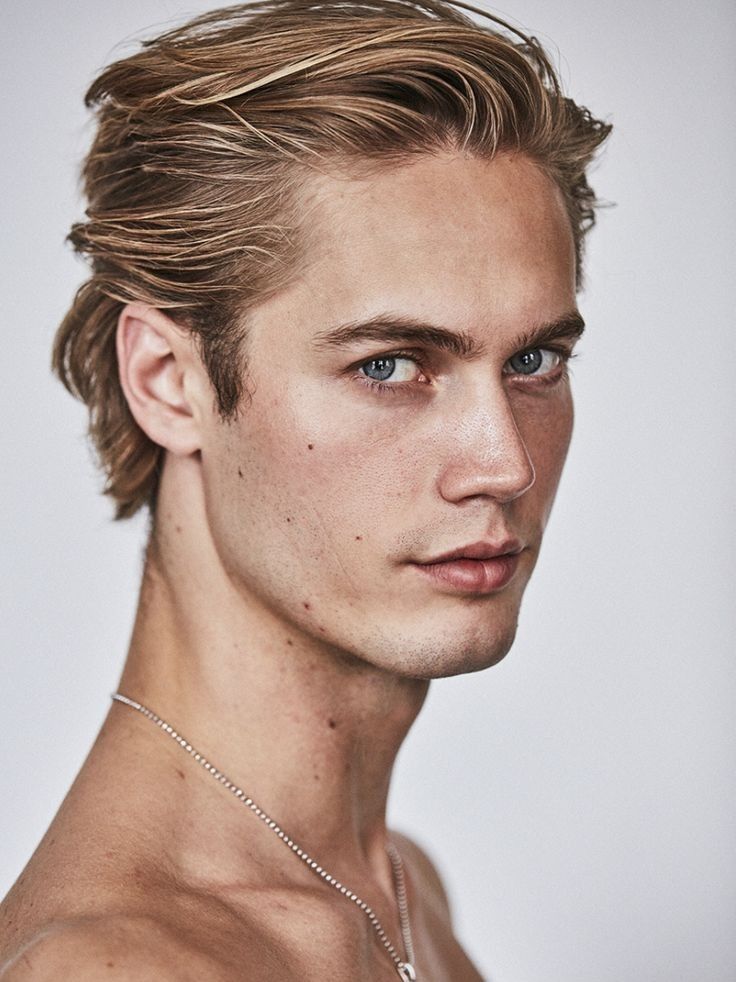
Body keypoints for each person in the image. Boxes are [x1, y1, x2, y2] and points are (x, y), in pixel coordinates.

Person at [0, 0, 610, 977]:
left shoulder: (400, 890)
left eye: (533, 357)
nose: (505, 465)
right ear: (168, 379)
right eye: (389, 365)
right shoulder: (120, 967)